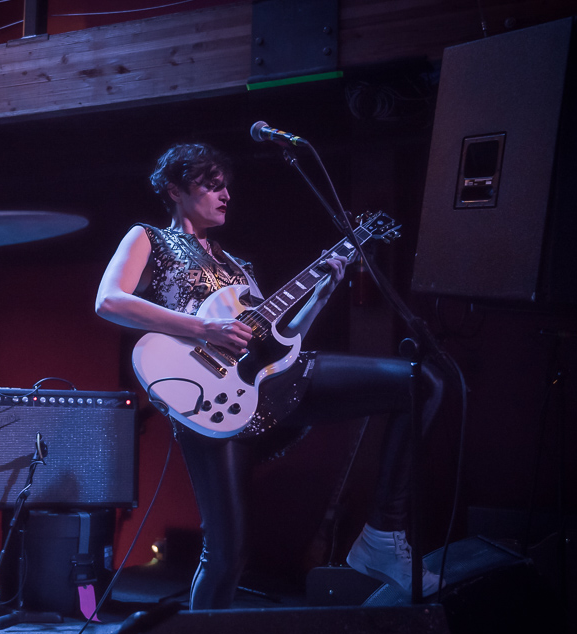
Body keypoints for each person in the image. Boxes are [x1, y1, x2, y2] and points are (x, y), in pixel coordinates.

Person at [95, 143, 445, 610]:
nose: (225, 195)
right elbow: (110, 301)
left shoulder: (239, 267)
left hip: (276, 382)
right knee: (228, 554)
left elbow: (279, 340)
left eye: (227, 186)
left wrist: (321, 293)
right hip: (208, 398)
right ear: (175, 190)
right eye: (211, 184)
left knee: (420, 382)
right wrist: (204, 327)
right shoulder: (148, 238)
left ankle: (382, 535)